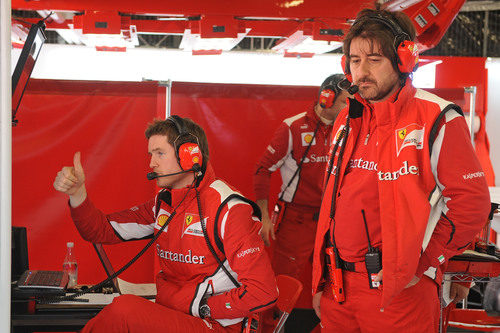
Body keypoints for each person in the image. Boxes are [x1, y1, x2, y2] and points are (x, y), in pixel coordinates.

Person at [311, 8, 490, 333]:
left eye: (374, 59)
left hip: (400, 295)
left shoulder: (437, 118)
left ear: (403, 61)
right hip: (337, 290)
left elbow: (471, 206)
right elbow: (332, 206)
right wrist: (319, 280)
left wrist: (422, 263)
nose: (361, 71)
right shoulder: (346, 118)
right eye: (354, 60)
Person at [53, 116, 278, 333]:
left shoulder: (229, 208)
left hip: (216, 324)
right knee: (119, 308)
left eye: (160, 153)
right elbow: (100, 230)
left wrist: (203, 307)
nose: (152, 163)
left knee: (123, 312)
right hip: (176, 314)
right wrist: (77, 193)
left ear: (189, 156)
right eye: (151, 154)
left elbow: (263, 292)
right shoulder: (165, 203)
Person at [253, 74, 350, 331]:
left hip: (333, 221)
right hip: (295, 221)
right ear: (325, 98)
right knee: (282, 286)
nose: (348, 108)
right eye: (344, 102)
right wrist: (263, 217)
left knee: (336, 284)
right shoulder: (293, 127)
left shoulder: (349, 127)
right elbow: (262, 169)